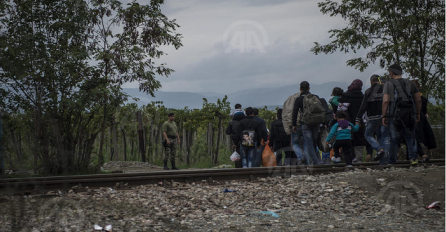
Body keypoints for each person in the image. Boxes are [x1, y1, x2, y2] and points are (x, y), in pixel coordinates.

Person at [382, 64, 422, 165]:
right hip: (409, 114)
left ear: (391, 73)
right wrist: (417, 113)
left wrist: (384, 116)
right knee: (410, 137)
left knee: (394, 138)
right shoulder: (411, 83)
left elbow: (386, 101)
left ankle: (391, 161)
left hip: (394, 115)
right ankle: (413, 159)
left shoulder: (388, 84)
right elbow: (418, 99)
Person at [356, 74, 389, 165]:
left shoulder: (368, 91)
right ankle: (383, 162)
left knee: (368, 134)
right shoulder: (385, 90)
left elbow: (363, 106)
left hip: (373, 118)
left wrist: (358, 118)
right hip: (384, 117)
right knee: (384, 137)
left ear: (371, 81)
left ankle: (379, 149)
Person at [292, 81, 325, 165]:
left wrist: (294, 125)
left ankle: (315, 161)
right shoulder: (315, 97)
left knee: (309, 143)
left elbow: (295, 112)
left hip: (305, 124)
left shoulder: (299, 99)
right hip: (316, 123)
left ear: (300, 89)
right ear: (309, 88)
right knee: (314, 143)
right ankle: (316, 161)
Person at [338, 79, 367, 162]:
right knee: (359, 139)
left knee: (348, 138)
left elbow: (340, 109)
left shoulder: (345, 96)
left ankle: (349, 157)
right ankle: (359, 158)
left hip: (346, 121)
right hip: (359, 120)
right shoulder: (363, 97)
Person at [408, 80, 436, 163]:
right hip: (422, 120)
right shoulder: (423, 98)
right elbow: (425, 112)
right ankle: (414, 157)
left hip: (415, 118)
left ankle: (421, 155)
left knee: (411, 138)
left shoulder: (411, 98)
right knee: (413, 138)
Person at [282, 92, 306, 164]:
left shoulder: (288, 101)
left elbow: (285, 115)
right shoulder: (305, 99)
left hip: (294, 126)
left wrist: (287, 130)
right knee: (307, 144)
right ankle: (310, 161)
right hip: (306, 124)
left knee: (295, 144)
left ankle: (301, 158)